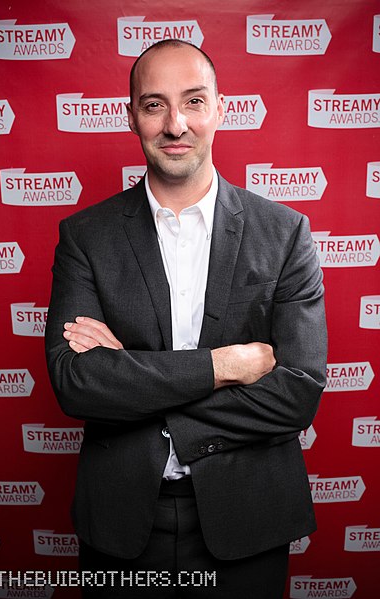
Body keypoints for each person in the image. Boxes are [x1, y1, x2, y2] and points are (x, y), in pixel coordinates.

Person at [45, 40, 327, 598]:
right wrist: (225, 365)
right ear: (132, 118)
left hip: (248, 517)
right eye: (154, 105)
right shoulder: (85, 237)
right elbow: (77, 384)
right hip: (125, 520)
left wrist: (131, 375)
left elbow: (297, 392)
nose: (176, 124)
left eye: (193, 101)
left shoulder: (285, 234)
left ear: (220, 108)